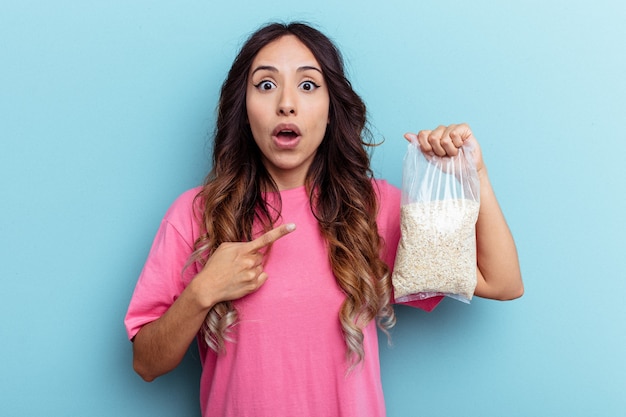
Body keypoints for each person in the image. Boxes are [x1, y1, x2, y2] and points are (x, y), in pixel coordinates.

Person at [124, 21, 523, 416]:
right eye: (265, 85)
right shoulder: (196, 214)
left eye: (308, 85)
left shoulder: (371, 208)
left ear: (331, 110)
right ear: (243, 111)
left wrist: (476, 175)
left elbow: (502, 282)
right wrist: (202, 291)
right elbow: (146, 363)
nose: (286, 103)